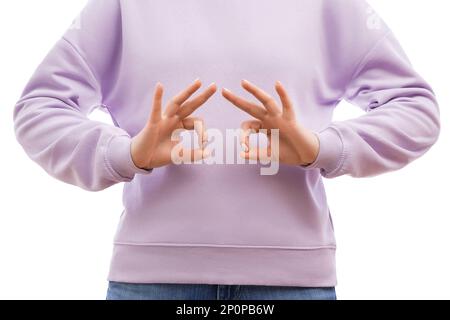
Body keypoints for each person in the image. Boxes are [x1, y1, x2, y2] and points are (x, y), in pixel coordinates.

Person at [13, 0, 440, 300]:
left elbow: (416, 109)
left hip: (293, 283)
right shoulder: (124, 6)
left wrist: (320, 148)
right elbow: (39, 107)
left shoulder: (329, 6)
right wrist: (128, 154)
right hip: (152, 280)